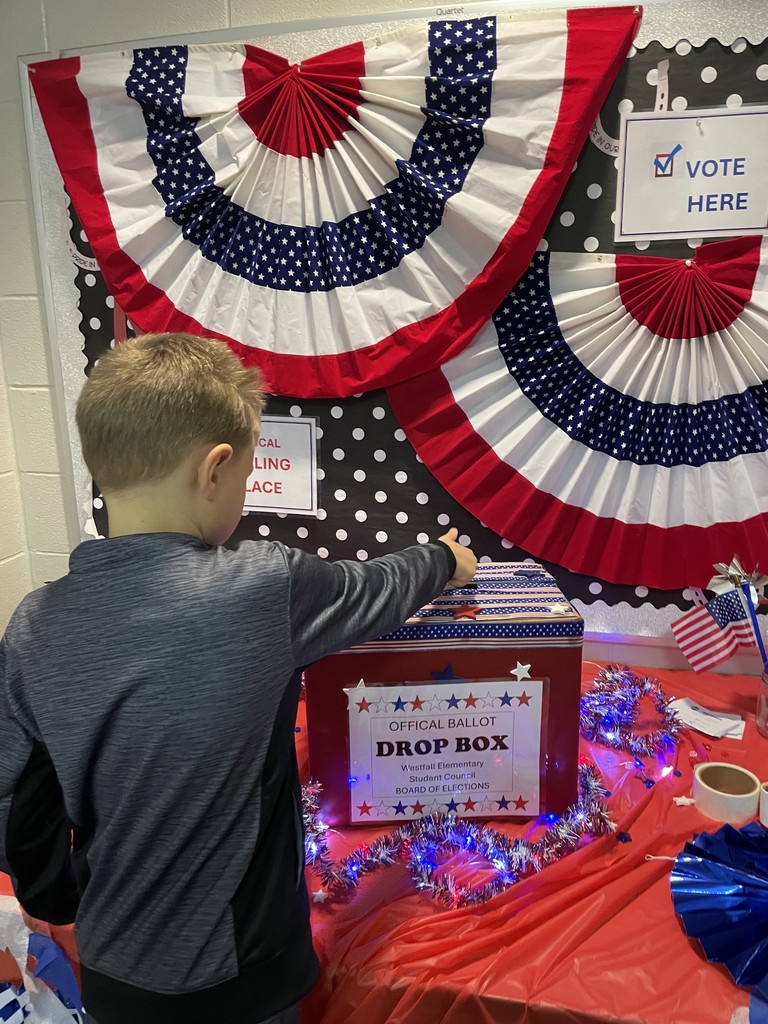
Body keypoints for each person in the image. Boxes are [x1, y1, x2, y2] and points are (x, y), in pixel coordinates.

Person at [0, 332, 477, 1024]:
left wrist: (56, 903)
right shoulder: (264, 588)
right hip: (245, 979)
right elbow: (378, 587)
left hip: (111, 971)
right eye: (249, 479)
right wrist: (443, 557)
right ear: (215, 469)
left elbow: (19, 803)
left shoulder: (34, 623)